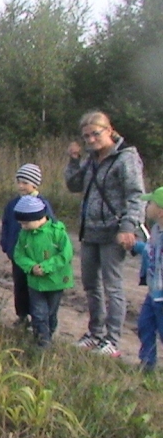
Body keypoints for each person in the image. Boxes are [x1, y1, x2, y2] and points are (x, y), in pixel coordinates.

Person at [65, 110, 145, 357]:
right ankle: (95, 334)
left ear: (109, 130)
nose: (91, 140)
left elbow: (136, 196)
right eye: (86, 136)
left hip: (114, 232)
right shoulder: (91, 159)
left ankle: (112, 340)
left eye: (95, 134)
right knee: (91, 285)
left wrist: (128, 227)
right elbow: (74, 185)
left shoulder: (126, 158)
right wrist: (74, 160)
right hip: (90, 231)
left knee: (113, 287)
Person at [12, 195, 74, 348]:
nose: (23, 226)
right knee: (38, 313)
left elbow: (66, 254)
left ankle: (48, 336)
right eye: (21, 223)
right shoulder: (24, 234)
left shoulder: (57, 232)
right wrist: (31, 267)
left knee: (51, 313)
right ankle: (42, 342)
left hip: (55, 282)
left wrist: (46, 267)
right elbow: (18, 254)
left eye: (25, 223)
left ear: (38, 218)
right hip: (35, 283)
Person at [0, 164, 55, 328]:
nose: (21, 186)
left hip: (37, 256)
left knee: (36, 288)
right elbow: (6, 224)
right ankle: (22, 315)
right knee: (20, 285)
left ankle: (38, 319)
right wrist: (6, 244)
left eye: (25, 183)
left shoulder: (42, 204)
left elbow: (52, 227)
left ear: (35, 184)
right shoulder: (12, 204)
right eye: (19, 182)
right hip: (18, 255)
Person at [135, 187, 163, 372]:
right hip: (153, 291)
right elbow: (150, 251)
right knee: (145, 325)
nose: (147, 206)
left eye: (151, 203)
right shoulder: (155, 229)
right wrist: (136, 246)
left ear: (160, 211)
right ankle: (147, 363)